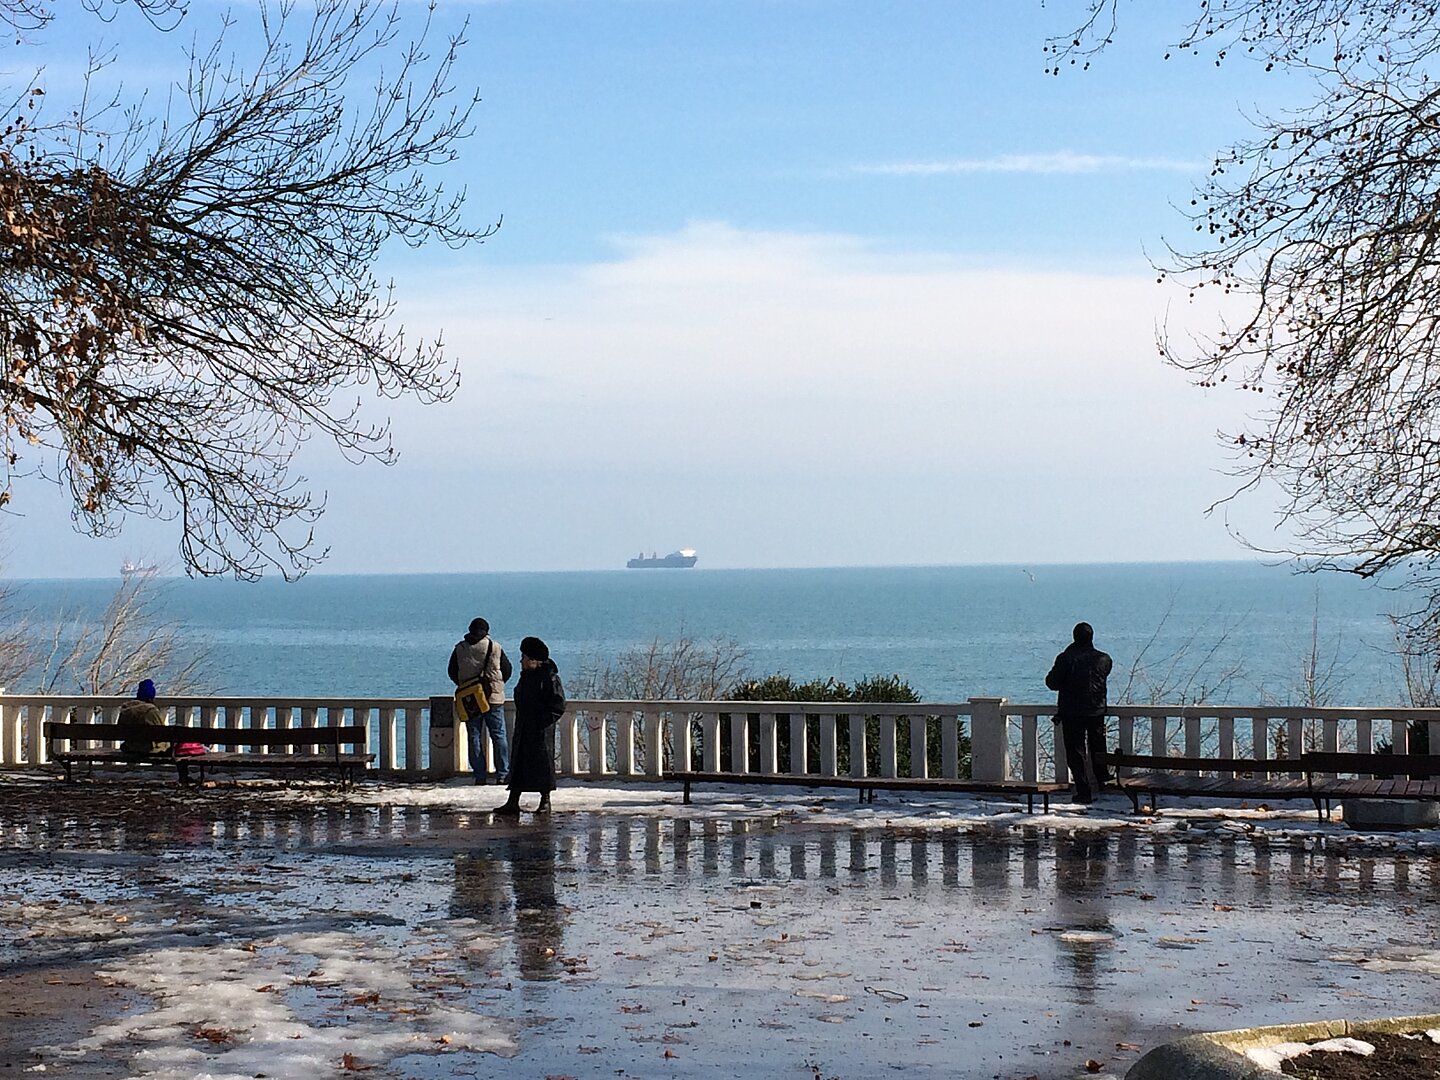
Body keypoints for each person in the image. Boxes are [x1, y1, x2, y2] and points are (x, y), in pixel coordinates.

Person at [495, 636, 567, 816]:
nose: (521, 661)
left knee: (543, 765)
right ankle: (513, 800)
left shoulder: (550, 678)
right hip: (524, 727)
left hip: (541, 730)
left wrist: (542, 722)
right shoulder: (526, 677)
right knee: (519, 764)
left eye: (524, 658)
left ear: (534, 660)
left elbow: (558, 705)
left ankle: (545, 800)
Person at [1045, 621, 1113, 804]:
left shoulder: (1066, 658)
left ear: (1074, 637)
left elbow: (1052, 682)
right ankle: (1103, 783)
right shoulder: (1104, 659)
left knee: (1076, 752)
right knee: (1098, 747)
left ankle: (1084, 791)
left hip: (1072, 712)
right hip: (1096, 711)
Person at [448, 618, 513, 784]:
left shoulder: (460, 648)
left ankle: (479, 775)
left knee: (474, 736)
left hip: (470, 699)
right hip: (493, 698)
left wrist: (466, 686)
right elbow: (507, 669)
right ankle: (502, 774)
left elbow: (452, 671)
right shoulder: (494, 647)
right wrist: (495, 686)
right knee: (498, 736)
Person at [117, 679, 170, 755]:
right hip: (148, 749)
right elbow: (161, 734)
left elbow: (120, 731)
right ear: (151, 698)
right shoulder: (150, 711)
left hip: (130, 748)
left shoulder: (126, 710)